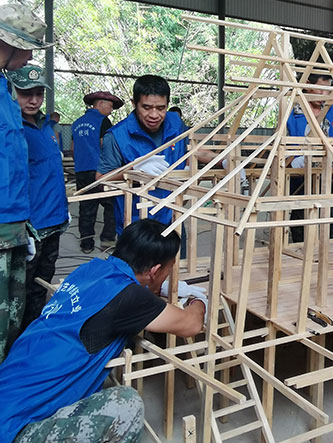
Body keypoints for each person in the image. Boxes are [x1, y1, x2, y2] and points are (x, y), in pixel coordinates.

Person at [0, 219, 206, 443]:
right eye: (169, 270)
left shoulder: (88, 272)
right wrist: (198, 299)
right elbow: (189, 325)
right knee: (124, 407)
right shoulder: (128, 299)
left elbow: (126, 300)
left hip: (6, 413)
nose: (169, 275)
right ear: (155, 270)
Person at [0, 3, 53, 363]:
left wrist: (23, 224)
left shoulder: (4, 89)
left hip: (14, 222)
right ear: (8, 43)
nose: (32, 55)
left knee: (12, 314)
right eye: (29, 46)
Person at [97, 75, 211, 233]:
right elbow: (101, 180)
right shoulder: (117, 136)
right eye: (147, 107)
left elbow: (194, 150)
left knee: (179, 257)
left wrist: (226, 160)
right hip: (136, 223)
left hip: (173, 216)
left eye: (161, 108)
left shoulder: (175, 123)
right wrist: (132, 170)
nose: (154, 115)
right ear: (134, 104)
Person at [6, 65, 69, 333]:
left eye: (39, 93)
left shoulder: (47, 127)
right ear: (12, 92)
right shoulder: (12, 130)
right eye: (25, 93)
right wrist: (23, 224)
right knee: (21, 291)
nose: (33, 100)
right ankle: (17, 345)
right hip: (32, 225)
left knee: (43, 283)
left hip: (54, 219)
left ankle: (33, 337)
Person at [286, 72, 333, 242]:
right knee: (301, 220)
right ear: (308, 84)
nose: (325, 96)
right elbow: (282, 142)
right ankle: (302, 256)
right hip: (300, 177)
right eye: (320, 90)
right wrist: (293, 158)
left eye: (328, 91)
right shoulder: (292, 110)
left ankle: (332, 256)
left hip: (330, 176)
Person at [71, 90, 124, 253]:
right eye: (110, 106)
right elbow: (105, 145)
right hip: (99, 171)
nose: (111, 110)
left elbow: (73, 149)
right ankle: (107, 239)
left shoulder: (76, 123)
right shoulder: (103, 121)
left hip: (81, 170)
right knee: (112, 204)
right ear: (100, 103)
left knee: (86, 206)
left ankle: (86, 243)